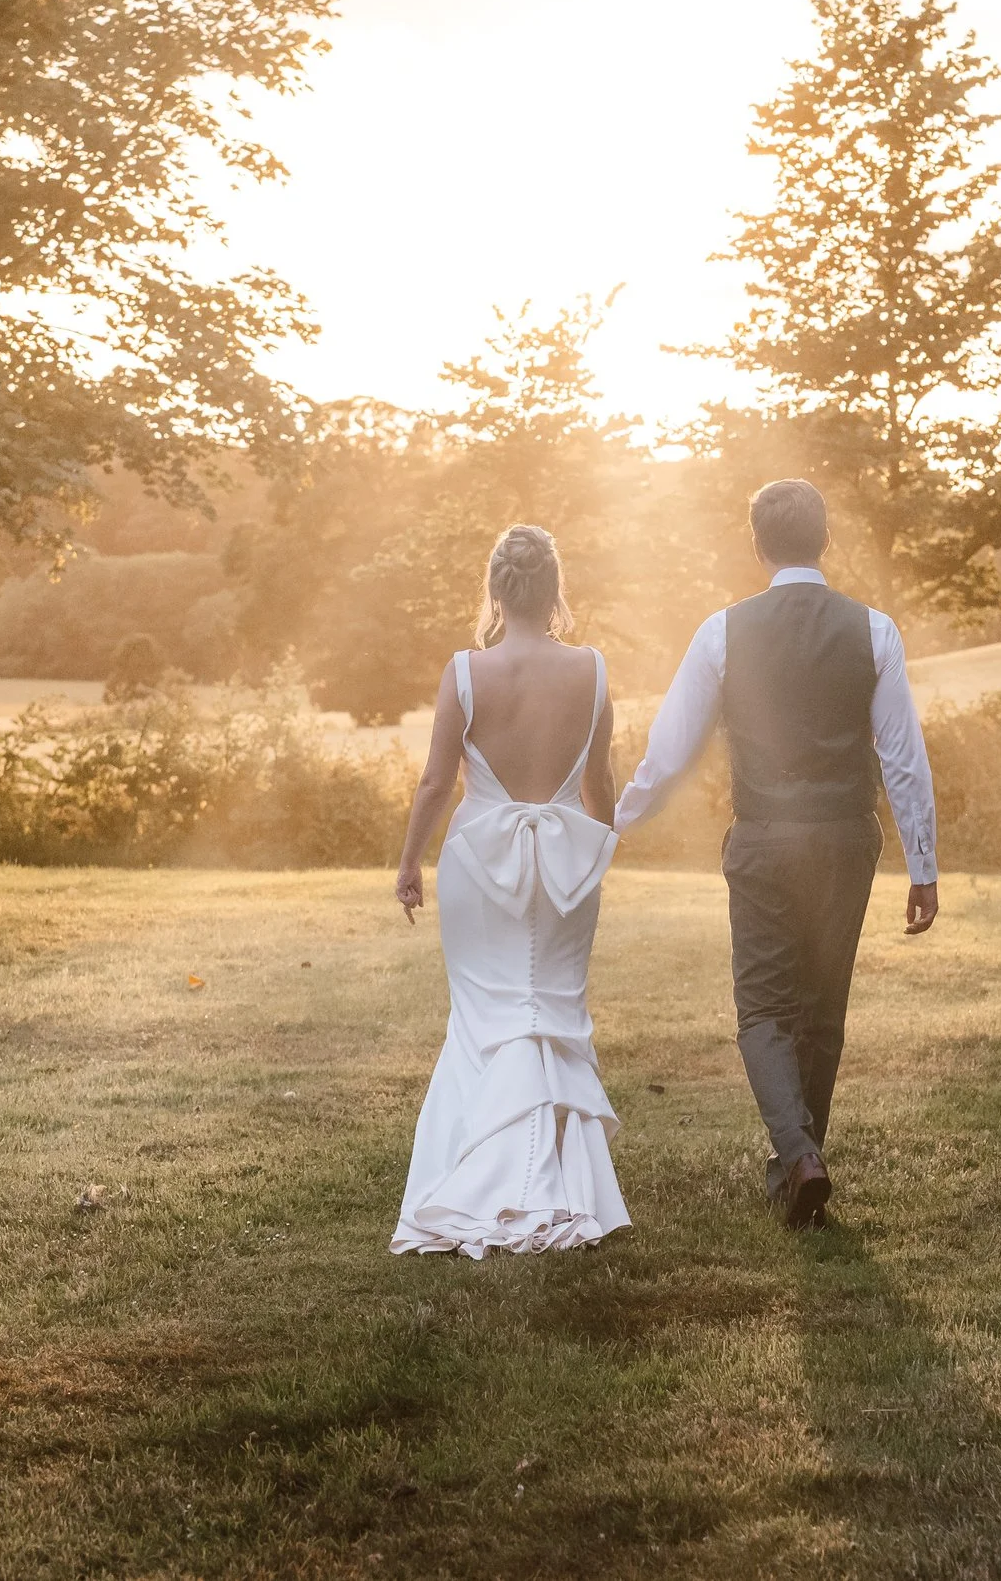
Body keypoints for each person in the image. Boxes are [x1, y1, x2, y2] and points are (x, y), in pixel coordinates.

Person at [617, 479, 938, 1229]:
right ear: (826, 541)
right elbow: (903, 758)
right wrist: (922, 863)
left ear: (757, 547)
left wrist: (617, 821)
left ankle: (797, 1158)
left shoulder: (722, 632)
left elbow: (670, 753)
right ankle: (800, 1163)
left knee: (763, 1006)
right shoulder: (875, 631)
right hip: (843, 837)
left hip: (763, 838)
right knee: (822, 1010)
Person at [390, 525, 630, 1256]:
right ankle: (561, 1185)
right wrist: (599, 849)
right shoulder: (592, 669)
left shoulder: (465, 672)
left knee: (486, 1014)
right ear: (555, 590)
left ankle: (484, 1175)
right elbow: (600, 784)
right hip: (564, 864)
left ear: (496, 590)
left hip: (479, 864)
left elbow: (436, 782)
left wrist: (409, 862)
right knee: (551, 1010)